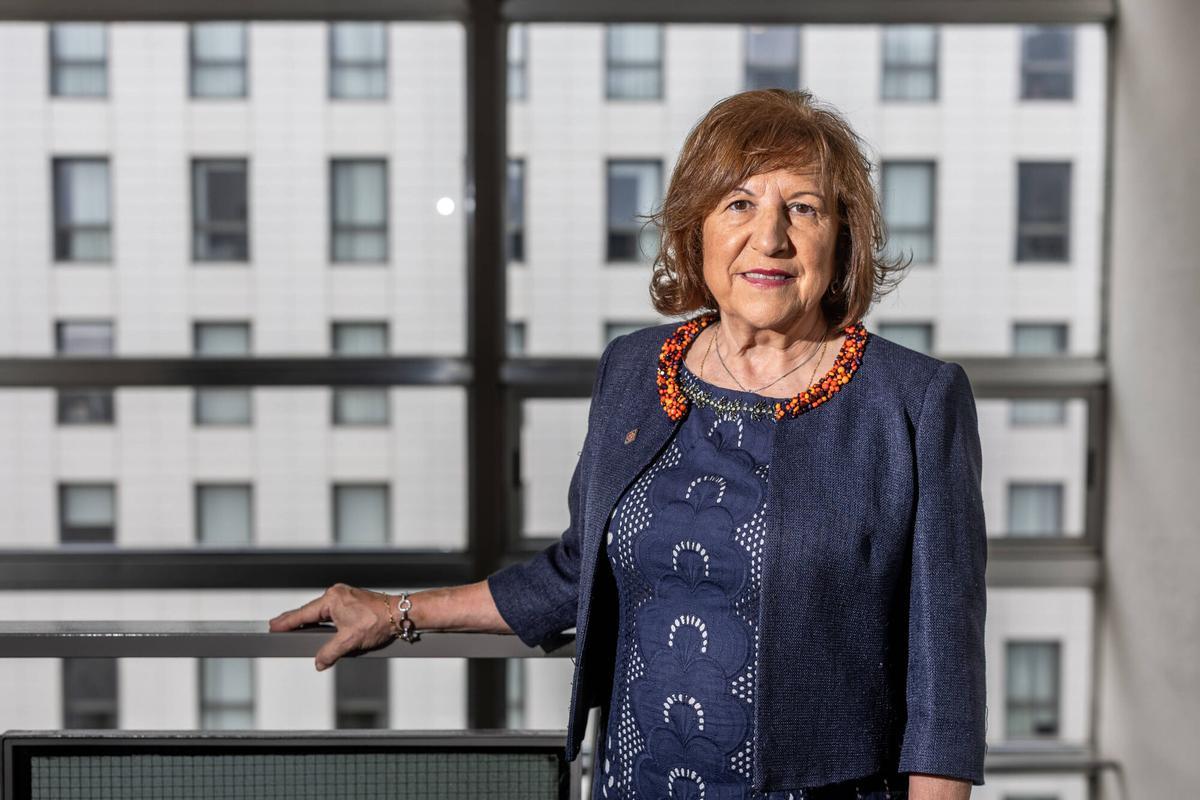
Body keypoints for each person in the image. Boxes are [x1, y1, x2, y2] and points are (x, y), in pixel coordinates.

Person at [270, 89, 987, 800]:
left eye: (802, 207)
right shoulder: (635, 371)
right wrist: (400, 611)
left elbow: (944, 683)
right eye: (739, 203)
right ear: (695, 227)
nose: (770, 238)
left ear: (842, 236)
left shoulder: (912, 402)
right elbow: (575, 570)